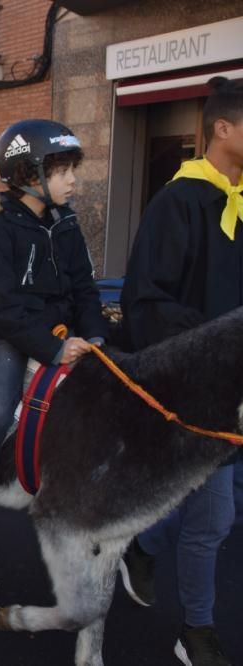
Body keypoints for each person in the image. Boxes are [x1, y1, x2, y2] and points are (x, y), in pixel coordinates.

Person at [118, 76, 243, 666]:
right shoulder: (178, 202)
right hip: (198, 385)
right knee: (214, 516)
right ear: (223, 128)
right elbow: (148, 301)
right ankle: (197, 630)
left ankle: (141, 545)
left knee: (221, 503)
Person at [0, 119, 108, 568]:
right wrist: (54, 350)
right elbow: (0, 306)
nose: (73, 180)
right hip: (7, 334)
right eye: (62, 172)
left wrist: (93, 334)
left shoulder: (67, 223)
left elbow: (84, 289)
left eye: (71, 170)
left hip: (62, 333)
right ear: (27, 175)